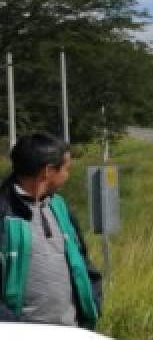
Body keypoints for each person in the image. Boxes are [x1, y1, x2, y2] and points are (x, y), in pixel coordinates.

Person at [0, 133, 103, 328]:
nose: (67, 175)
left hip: (72, 333)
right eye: (66, 169)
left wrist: (94, 304)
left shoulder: (60, 207)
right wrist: (12, 330)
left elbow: (82, 260)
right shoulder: (3, 215)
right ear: (47, 172)